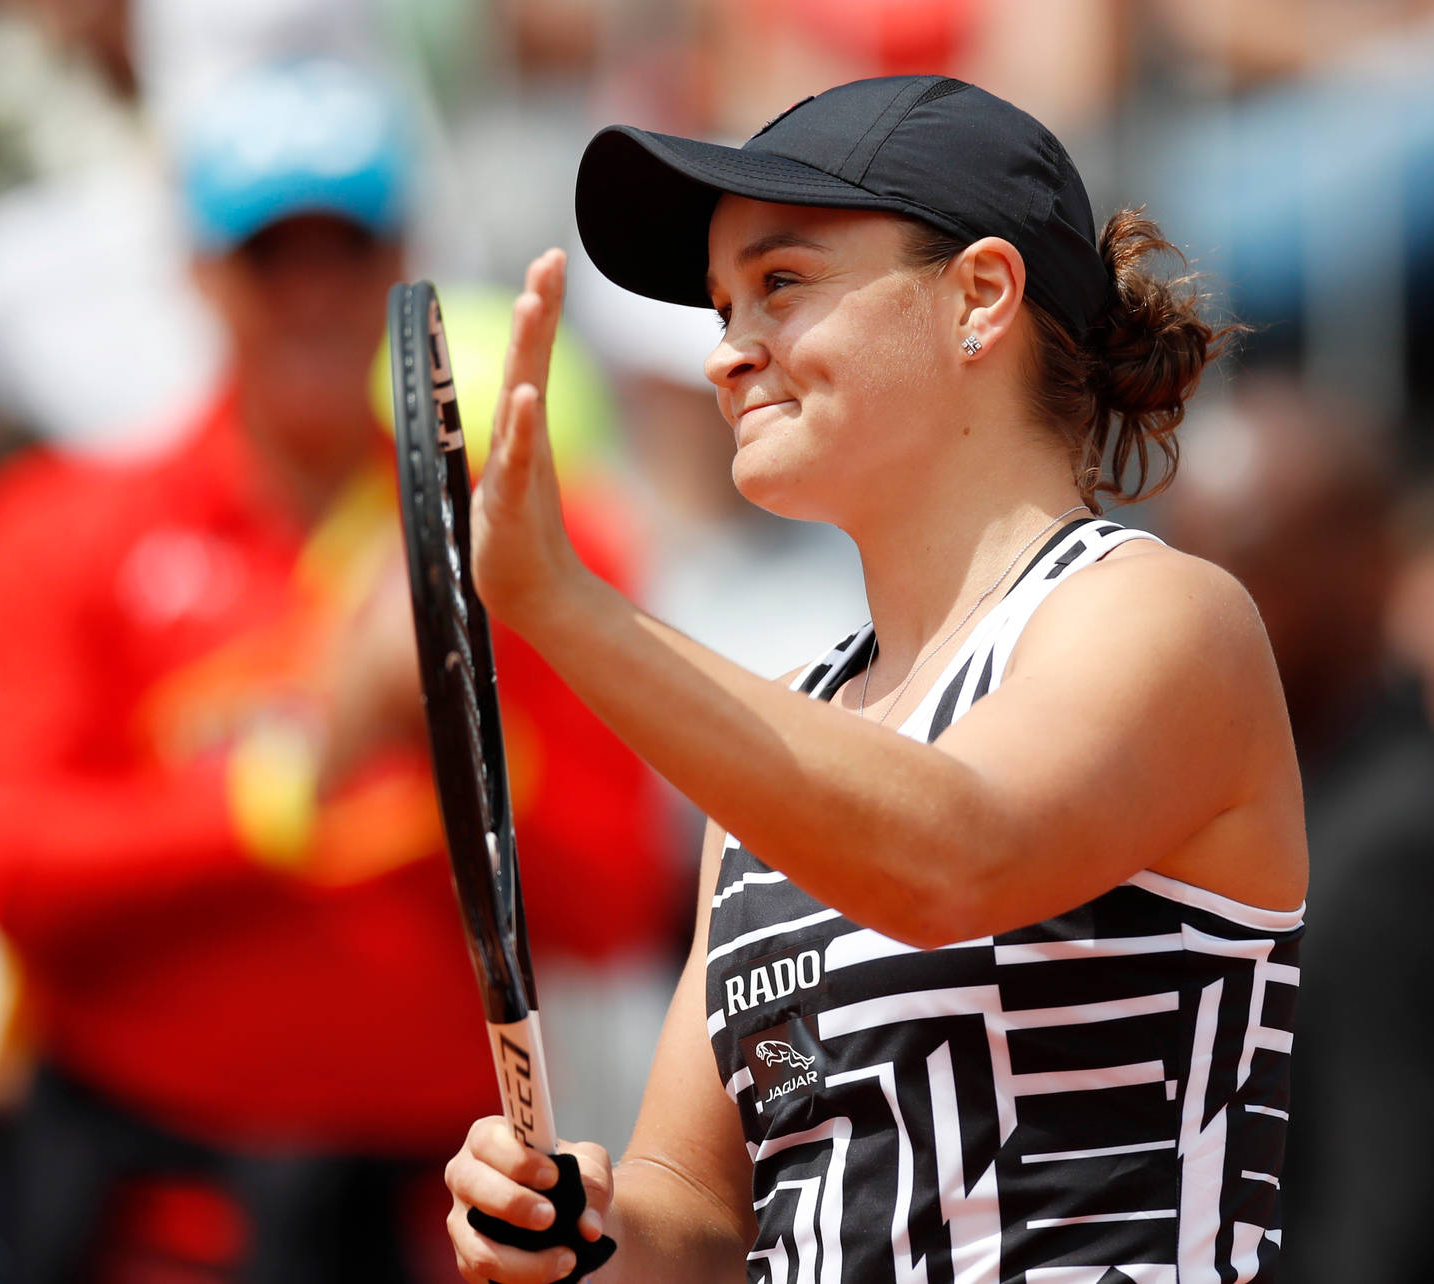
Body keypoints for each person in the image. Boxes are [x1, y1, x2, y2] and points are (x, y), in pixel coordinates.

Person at [444, 75, 1307, 1283]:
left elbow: (956, 857)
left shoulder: (1165, 617)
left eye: (781, 284)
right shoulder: (784, 727)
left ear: (980, 296)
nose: (725, 355)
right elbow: (696, 1206)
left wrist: (566, 607)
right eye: (720, 305)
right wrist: (579, 1224)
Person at [0, 60, 667, 1282]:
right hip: (156, 1209)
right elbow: (1, 862)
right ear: (203, 274)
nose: (311, 294)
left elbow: (612, 892)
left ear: (400, 263)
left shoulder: (524, 543)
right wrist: (299, 773)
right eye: (273, 257)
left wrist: (444, 751)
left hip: (440, 1209)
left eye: (346, 249)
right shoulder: (54, 531)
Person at [1162, 380, 1434, 1283]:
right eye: (1184, 565)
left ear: (1366, 564)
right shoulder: (1324, 812)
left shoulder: (1406, 852)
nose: (1198, 609)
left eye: (1240, 564)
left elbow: (1388, 1239)